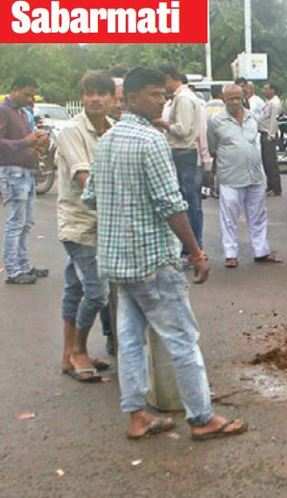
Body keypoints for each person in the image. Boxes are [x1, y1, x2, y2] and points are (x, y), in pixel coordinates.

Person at [82, 67, 248, 441]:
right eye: (156, 95)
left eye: (164, 95)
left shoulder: (107, 140)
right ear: (134, 98)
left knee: (130, 340)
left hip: (118, 261)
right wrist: (197, 252)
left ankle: (137, 415)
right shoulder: (150, 141)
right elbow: (171, 204)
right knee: (182, 338)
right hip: (152, 259)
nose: (163, 102)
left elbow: (91, 196)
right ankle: (201, 417)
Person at [55, 71, 116, 382]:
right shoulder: (70, 131)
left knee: (75, 288)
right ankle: (79, 350)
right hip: (79, 223)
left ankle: (68, 355)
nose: (95, 98)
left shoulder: (114, 130)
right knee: (97, 292)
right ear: (82, 97)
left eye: (101, 93)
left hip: (104, 225)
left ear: (112, 99)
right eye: (89, 93)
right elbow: (84, 179)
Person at [207, 84, 282, 268]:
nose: (234, 102)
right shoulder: (216, 121)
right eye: (230, 98)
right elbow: (212, 148)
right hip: (230, 176)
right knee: (229, 215)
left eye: (237, 97)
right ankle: (230, 254)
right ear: (223, 99)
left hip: (255, 174)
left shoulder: (252, 117)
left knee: (258, 215)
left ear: (242, 97)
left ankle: (261, 251)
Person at [0, 76, 50, 285]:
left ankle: (23, 264)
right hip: (12, 172)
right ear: (16, 90)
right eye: (27, 94)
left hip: (26, 171)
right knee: (16, 222)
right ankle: (13, 270)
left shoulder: (22, 113)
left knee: (26, 222)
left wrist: (36, 144)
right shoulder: (4, 111)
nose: (31, 99)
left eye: (32, 95)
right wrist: (25, 142)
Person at [156, 64, 204, 254]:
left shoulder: (183, 99)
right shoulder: (182, 98)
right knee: (187, 201)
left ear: (171, 78)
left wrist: (164, 125)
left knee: (186, 204)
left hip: (183, 153)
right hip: (183, 154)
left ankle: (192, 248)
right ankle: (192, 247)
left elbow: (183, 130)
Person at [259, 82, 282, 196]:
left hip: (269, 134)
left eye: (266, 89)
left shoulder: (275, 103)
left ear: (273, 90)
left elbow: (274, 120)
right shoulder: (268, 102)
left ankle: (276, 188)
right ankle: (270, 185)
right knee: (266, 162)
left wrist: (271, 135)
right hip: (264, 133)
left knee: (271, 162)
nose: (264, 91)